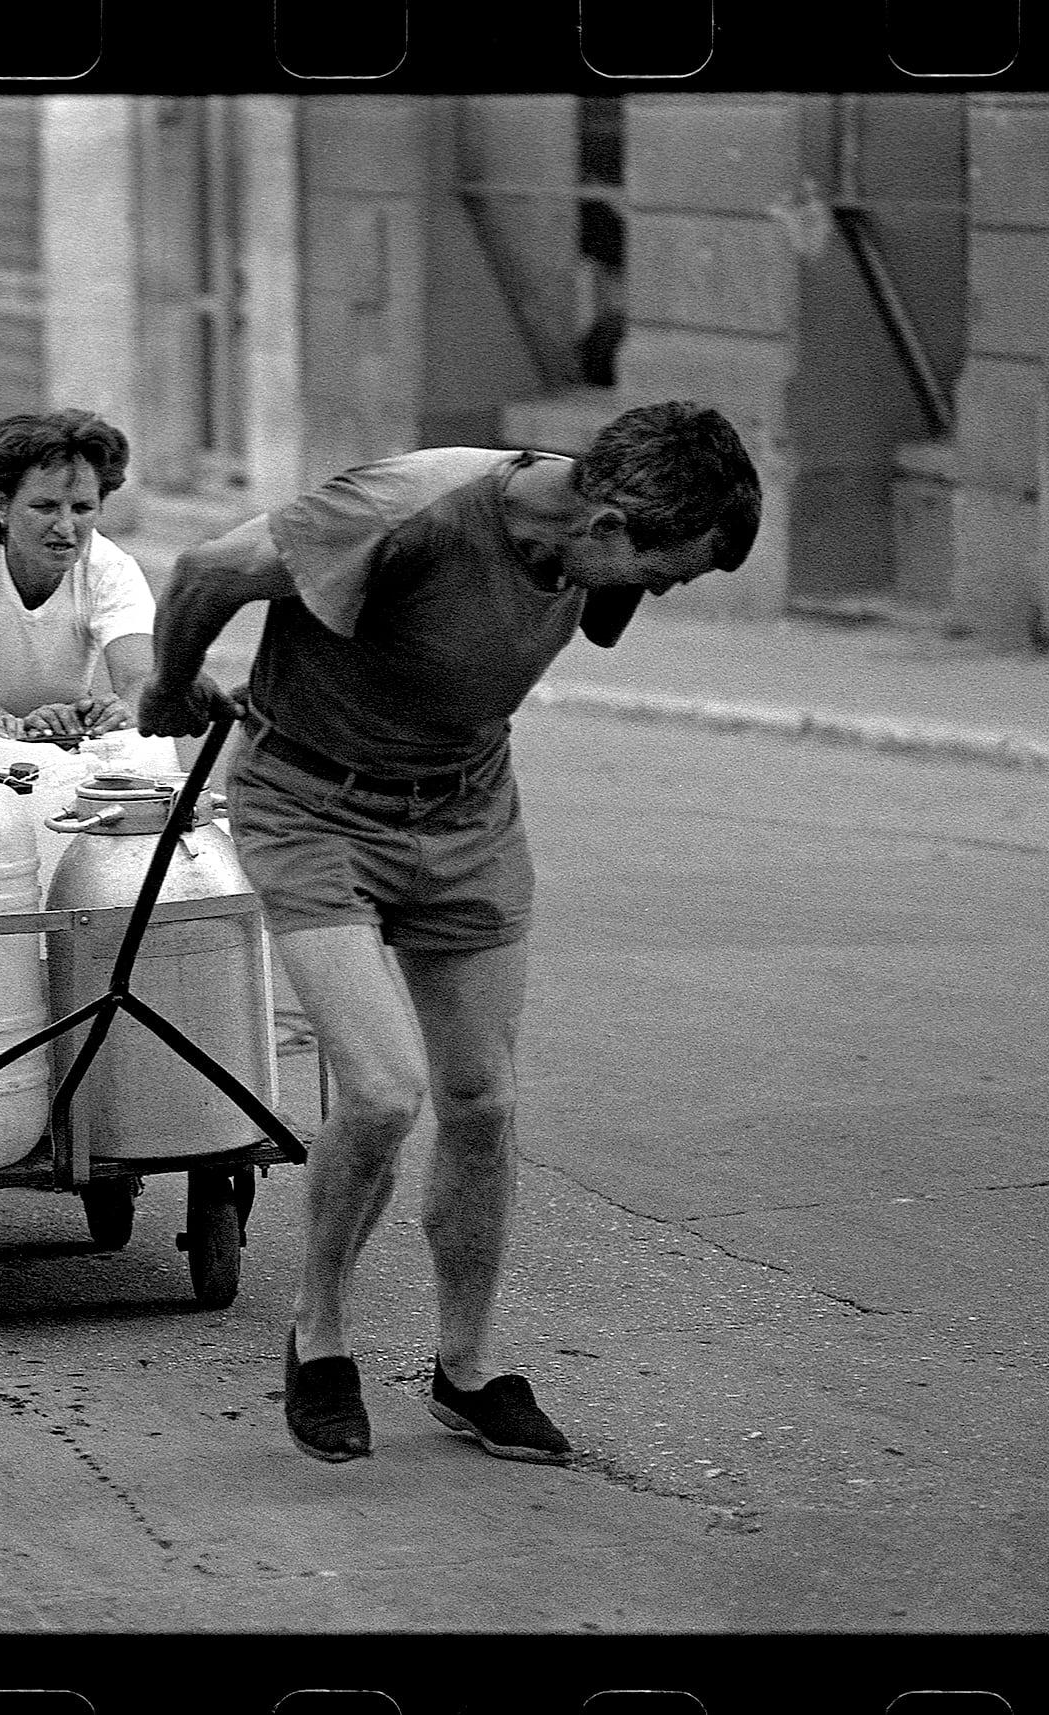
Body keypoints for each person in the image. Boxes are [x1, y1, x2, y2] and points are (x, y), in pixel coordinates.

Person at [136, 401, 763, 1463]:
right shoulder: (410, 503)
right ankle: (319, 1335)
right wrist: (167, 683)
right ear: (608, 524)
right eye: (667, 573)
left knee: (482, 1098)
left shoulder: (592, 541)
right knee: (382, 1089)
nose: (656, 595)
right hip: (314, 800)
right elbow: (206, 568)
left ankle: (464, 1369)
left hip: (465, 810)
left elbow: (540, 618)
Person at [0, 408, 156, 743]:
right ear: (2, 505)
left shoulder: (111, 567)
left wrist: (122, 710)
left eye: (82, 509)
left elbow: (138, 676)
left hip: (62, 740)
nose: (65, 527)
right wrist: (22, 729)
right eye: (45, 507)